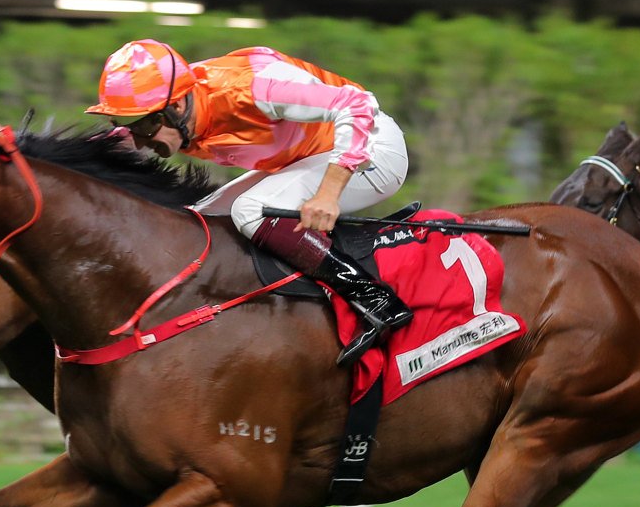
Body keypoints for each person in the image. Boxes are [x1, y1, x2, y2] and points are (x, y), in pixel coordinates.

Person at [85, 39, 411, 366]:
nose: (139, 141)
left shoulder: (252, 89)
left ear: (178, 107)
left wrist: (329, 193)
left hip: (373, 150)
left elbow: (358, 105)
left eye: (142, 126)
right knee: (195, 221)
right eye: (127, 124)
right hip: (308, 157)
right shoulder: (172, 109)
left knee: (249, 209)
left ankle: (376, 301)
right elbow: (114, 143)